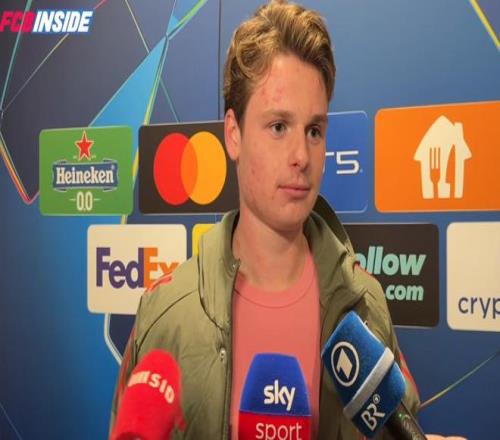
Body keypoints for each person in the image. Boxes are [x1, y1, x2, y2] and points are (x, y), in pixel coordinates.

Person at [110, 1, 465, 439]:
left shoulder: (363, 306)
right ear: (233, 134)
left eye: (314, 131)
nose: (302, 156)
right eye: (279, 126)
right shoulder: (166, 314)